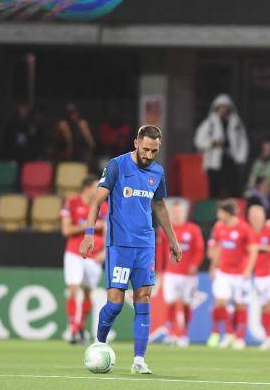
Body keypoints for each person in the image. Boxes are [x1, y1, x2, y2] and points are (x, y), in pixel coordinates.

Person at [79, 125, 181, 375]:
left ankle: (139, 360)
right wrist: (89, 234)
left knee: (143, 298)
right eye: (145, 149)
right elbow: (97, 201)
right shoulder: (117, 165)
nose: (149, 155)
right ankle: (99, 344)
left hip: (145, 244)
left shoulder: (157, 172)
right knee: (115, 303)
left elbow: (159, 206)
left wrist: (172, 240)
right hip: (120, 244)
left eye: (154, 151)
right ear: (136, 143)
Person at [154, 198, 205, 346]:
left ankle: (183, 333)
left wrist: (195, 264)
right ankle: (170, 333)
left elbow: (199, 249)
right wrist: (160, 271)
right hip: (171, 273)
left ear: (185, 213)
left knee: (187, 303)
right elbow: (160, 253)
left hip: (188, 275)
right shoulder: (165, 230)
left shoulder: (193, 229)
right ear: (170, 213)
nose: (177, 214)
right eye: (175, 212)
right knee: (170, 302)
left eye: (180, 212)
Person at [62, 176, 106, 343]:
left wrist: (105, 252)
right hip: (74, 253)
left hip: (94, 256)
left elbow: (109, 229)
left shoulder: (104, 206)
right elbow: (66, 230)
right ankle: (72, 329)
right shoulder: (71, 203)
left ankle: (80, 327)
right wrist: (89, 226)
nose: (99, 190)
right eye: (96, 187)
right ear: (86, 188)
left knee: (88, 293)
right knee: (73, 289)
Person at [206, 200, 253, 349]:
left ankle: (240, 337)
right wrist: (213, 266)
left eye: (220, 212)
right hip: (223, 271)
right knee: (221, 302)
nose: (218, 215)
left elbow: (253, 250)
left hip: (240, 273)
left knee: (240, 305)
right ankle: (227, 332)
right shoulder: (218, 227)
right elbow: (218, 249)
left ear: (227, 213)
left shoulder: (244, 228)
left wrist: (248, 269)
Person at [194, 93, 249, 198]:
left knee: (233, 189)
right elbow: (199, 140)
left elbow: (243, 141)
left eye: (225, 107)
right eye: (221, 107)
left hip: (231, 159)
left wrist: (241, 158)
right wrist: (213, 143)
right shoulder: (210, 123)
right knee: (214, 190)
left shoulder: (236, 123)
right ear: (216, 107)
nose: (223, 110)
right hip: (214, 162)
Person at [245, 203, 270, 350]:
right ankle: (269, 337)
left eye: (258, 215)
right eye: (253, 215)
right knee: (264, 307)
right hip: (258, 274)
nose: (255, 218)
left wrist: (261, 247)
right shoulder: (247, 231)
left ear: (264, 216)